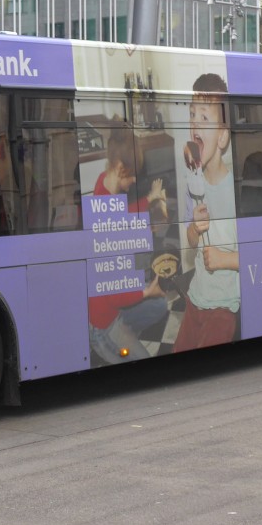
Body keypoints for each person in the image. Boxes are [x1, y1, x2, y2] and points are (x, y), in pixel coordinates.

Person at [87, 126, 170, 364]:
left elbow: (123, 212)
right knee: (146, 364)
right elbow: (115, 296)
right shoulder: (107, 222)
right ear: (119, 167)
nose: (134, 181)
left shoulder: (104, 183)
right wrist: (146, 291)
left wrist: (150, 198)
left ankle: (127, 337)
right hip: (104, 323)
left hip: (115, 305)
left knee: (159, 305)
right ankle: (114, 343)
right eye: (132, 175)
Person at [173, 72, 240, 352]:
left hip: (224, 306)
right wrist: (194, 228)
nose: (195, 124)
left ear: (222, 137)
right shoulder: (193, 185)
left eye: (204, 117)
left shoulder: (237, 189)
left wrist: (223, 259)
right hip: (196, 298)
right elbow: (191, 241)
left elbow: (259, 255)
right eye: (192, 116)